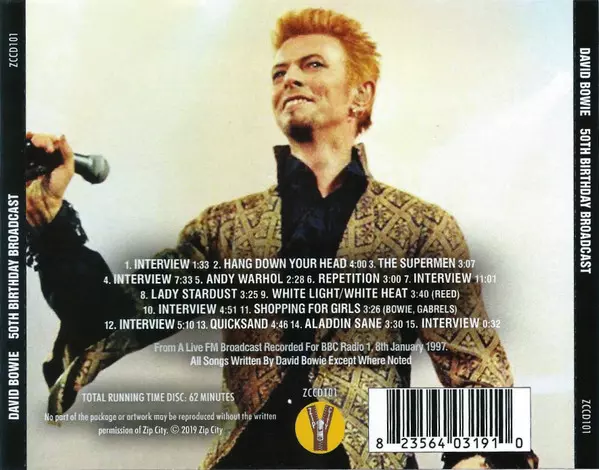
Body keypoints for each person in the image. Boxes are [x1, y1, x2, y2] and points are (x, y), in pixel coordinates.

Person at [26, 8, 538, 470]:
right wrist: (50, 221)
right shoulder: (224, 230)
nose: (290, 77)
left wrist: (478, 461)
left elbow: (476, 370)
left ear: (360, 95)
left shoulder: (420, 228)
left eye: (312, 65)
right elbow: (111, 314)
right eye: (279, 72)